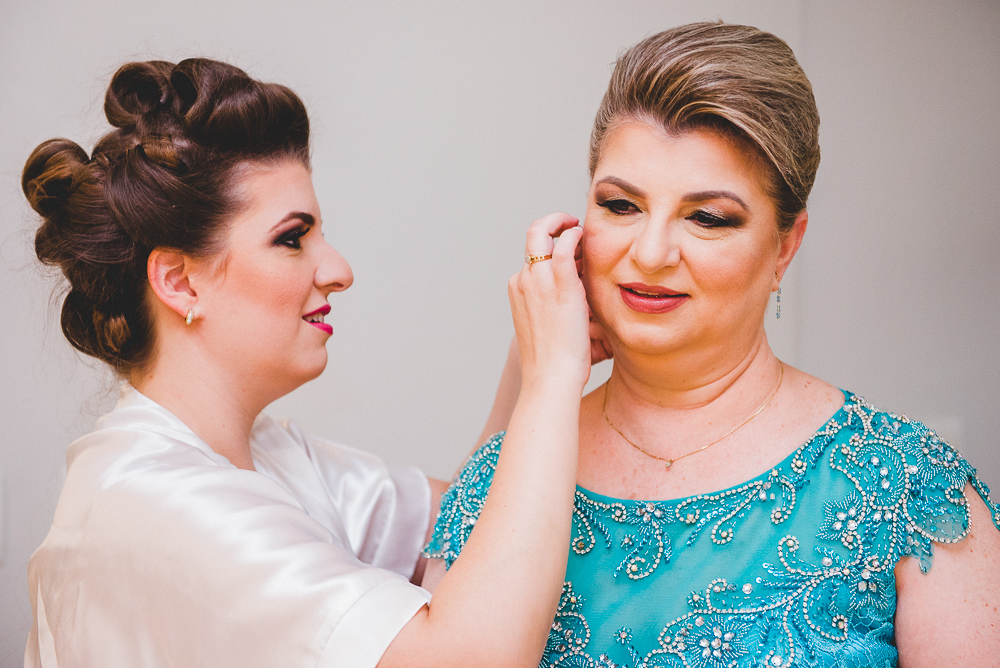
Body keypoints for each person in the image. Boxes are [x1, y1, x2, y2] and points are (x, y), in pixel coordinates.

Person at [424, 22, 1000, 667]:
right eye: (620, 206)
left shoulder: (905, 490)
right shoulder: (494, 485)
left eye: (708, 217)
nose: (649, 254)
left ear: (784, 247)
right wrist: (546, 374)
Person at [21, 57, 599, 668]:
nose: (339, 271)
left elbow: (468, 522)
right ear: (180, 282)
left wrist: (530, 356)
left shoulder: (269, 455)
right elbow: (465, 657)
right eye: (292, 238)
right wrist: (552, 379)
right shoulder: (156, 506)